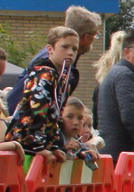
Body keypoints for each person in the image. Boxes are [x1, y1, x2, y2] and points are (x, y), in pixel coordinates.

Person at [6, 5, 100, 115]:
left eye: (74, 49)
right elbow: (41, 110)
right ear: (86, 37)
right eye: (95, 35)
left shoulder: (55, 59)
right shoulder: (48, 67)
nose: (70, 52)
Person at [6, 26, 82, 155]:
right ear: (50, 49)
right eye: (65, 47)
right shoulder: (43, 74)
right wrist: (39, 148)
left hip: (43, 144)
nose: (70, 53)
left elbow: (55, 117)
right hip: (24, 144)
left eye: (74, 49)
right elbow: (38, 112)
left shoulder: (64, 79)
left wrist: (55, 146)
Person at [95, 28, 134, 161]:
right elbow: (131, 117)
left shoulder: (118, 72)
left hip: (114, 156)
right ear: (127, 52)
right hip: (119, 159)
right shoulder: (125, 75)